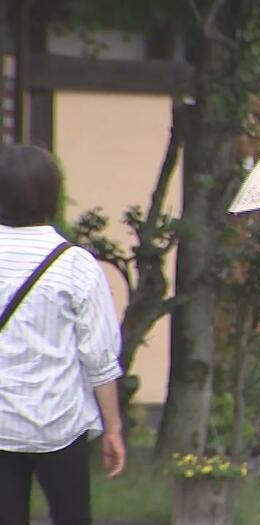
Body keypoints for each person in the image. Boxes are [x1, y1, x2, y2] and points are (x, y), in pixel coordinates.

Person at [0, 144, 125, 525]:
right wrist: (113, 429)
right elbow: (99, 358)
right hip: (60, 424)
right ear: (53, 195)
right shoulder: (74, 265)